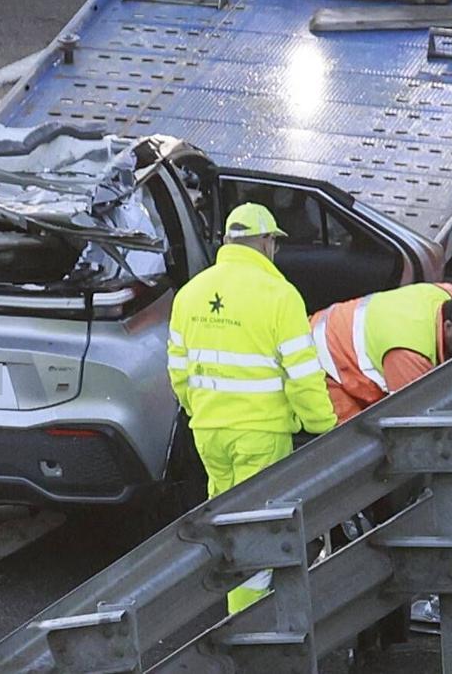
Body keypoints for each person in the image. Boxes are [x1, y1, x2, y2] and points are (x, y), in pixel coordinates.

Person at [167, 202, 336, 613]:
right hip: (260, 434)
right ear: (264, 242)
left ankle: (234, 611)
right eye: (273, 242)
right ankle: (247, 629)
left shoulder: (191, 293)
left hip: (209, 431)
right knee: (256, 534)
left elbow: (177, 371)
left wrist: (201, 411)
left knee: (226, 526)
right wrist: (324, 426)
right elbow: (303, 375)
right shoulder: (279, 295)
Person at [311, 283, 452, 423]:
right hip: (320, 366)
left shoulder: (448, 297)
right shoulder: (408, 354)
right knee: (355, 447)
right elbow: (411, 418)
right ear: (449, 328)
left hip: (333, 328)